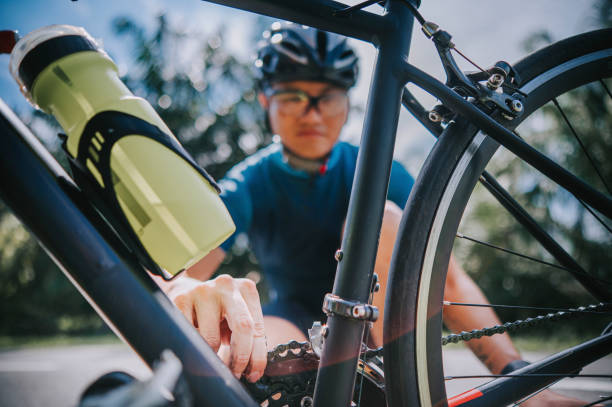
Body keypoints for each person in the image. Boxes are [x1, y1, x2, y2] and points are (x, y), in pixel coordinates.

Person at [164, 23, 593, 405]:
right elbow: (184, 270)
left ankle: (392, 387)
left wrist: (517, 377)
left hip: (376, 325)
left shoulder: (376, 167)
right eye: (293, 95)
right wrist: (186, 289)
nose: (312, 113)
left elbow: (446, 275)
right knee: (258, 365)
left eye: (327, 96)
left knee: (385, 221)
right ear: (265, 100)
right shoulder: (252, 179)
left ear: (347, 101)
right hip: (289, 319)